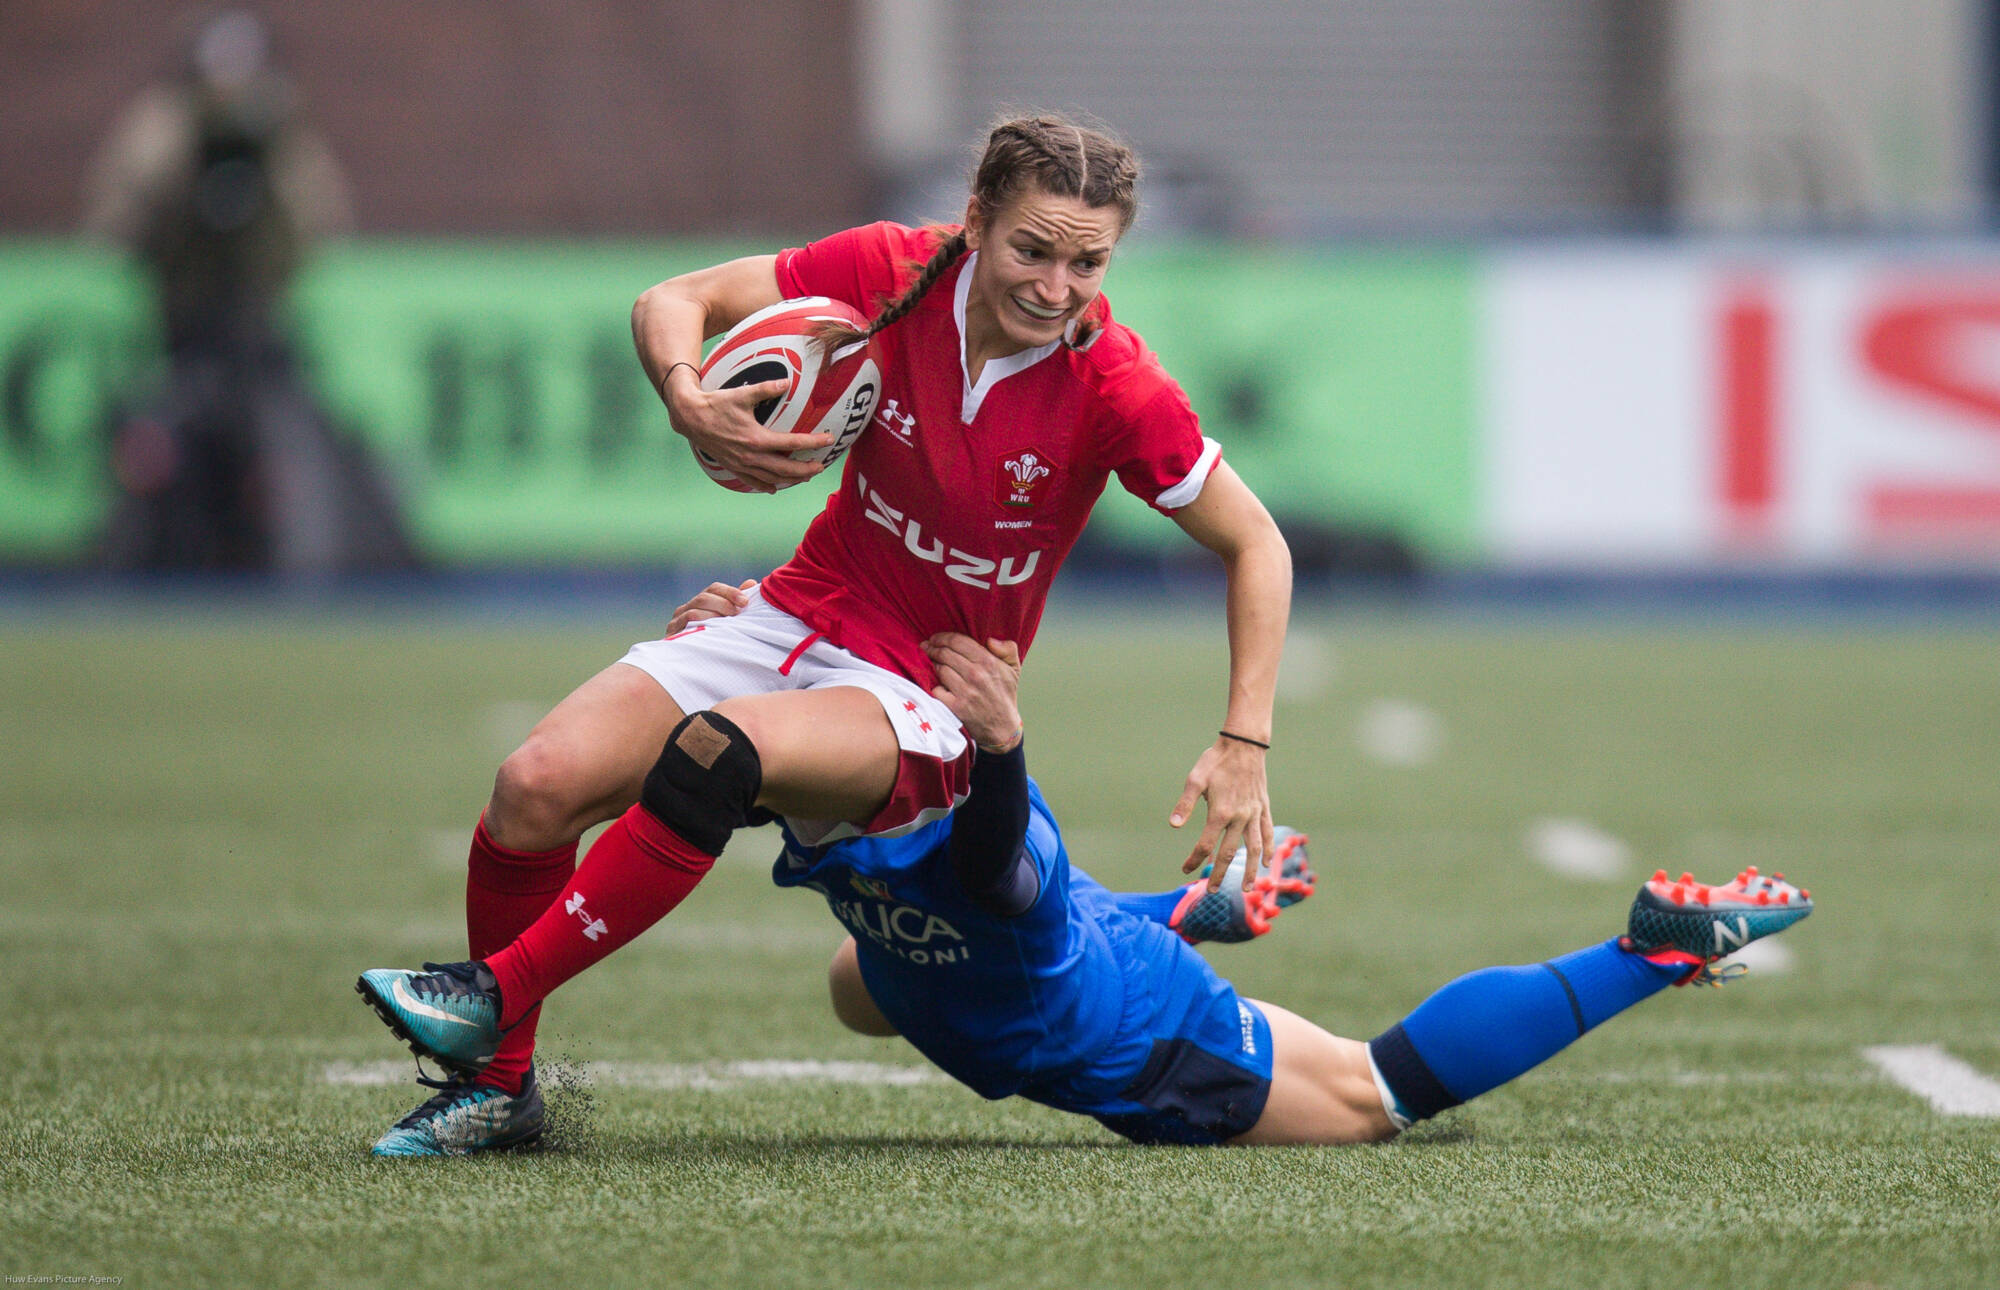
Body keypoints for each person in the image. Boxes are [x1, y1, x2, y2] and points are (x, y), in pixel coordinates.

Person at [355, 115, 1293, 1143]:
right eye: (1032, 249)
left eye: (1088, 263)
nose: (1055, 287)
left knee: (720, 755)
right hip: (791, 614)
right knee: (534, 786)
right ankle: (499, 1093)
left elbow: (1256, 544)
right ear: (975, 220)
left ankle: (489, 994)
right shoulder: (893, 272)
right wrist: (685, 396)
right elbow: (673, 300)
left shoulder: (1113, 385)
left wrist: (1241, 741)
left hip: (927, 697)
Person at [359, 607, 1814, 1155]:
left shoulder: (962, 818)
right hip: (1023, 971)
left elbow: (1006, 877)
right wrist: (742, 630)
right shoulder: (867, 788)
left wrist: (1004, 746)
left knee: (1378, 1095)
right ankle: (1198, 920)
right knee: (863, 981)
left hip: (1143, 1039)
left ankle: (1647, 950)